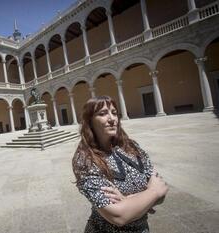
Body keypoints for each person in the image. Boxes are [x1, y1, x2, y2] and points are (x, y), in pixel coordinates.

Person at [72, 96, 168, 233]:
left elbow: (162, 189)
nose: (112, 119)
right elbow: (118, 216)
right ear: (90, 121)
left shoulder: (131, 147)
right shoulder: (85, 160)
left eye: (114, 112)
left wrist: (127, 201)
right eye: (103, 113)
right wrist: (152, 193)